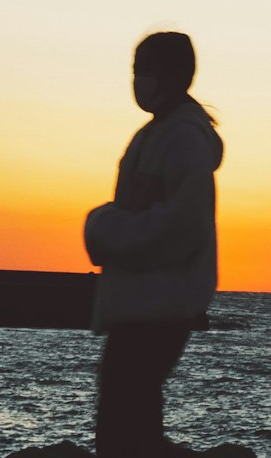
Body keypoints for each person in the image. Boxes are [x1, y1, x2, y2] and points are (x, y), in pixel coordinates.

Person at [80, 31, 221, 458]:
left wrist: (105, 229)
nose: (138, 81)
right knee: (129, 422)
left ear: (176, 76)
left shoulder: (182, 138)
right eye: (135, 71)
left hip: (157, 307)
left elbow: (183, 225)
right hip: (144, 305)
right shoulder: (160, 133)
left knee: (124, 429)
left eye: (146, 71)